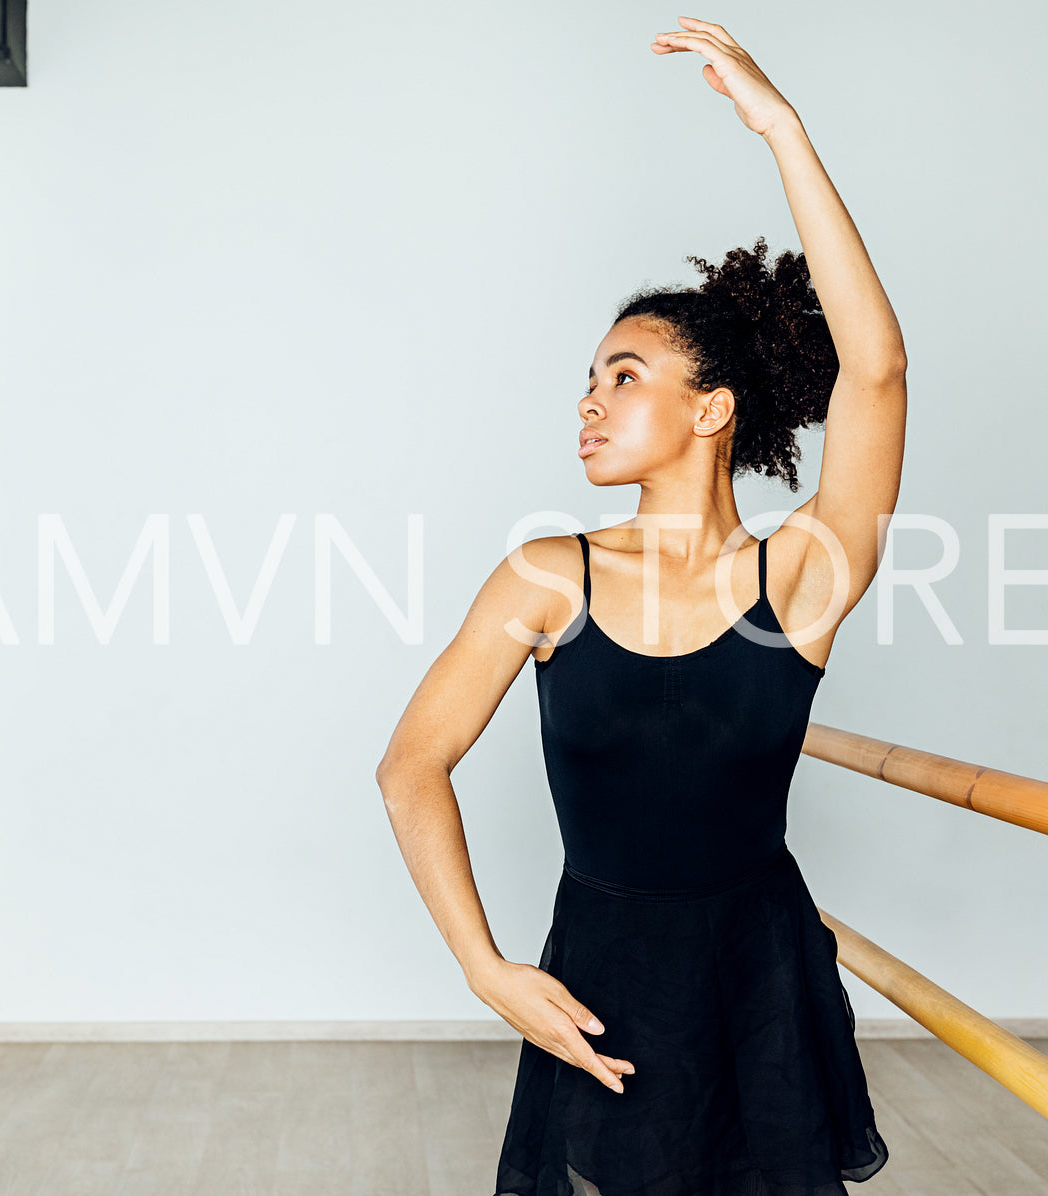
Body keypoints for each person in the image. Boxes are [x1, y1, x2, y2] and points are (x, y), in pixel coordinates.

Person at [376, 15, 905, 1195]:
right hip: (600, 978)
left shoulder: (800, 577)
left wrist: (780, 128)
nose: (589, 402)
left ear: (711, 409)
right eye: (585, 382)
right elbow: (411, 763)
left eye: (624, 376)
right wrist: (482, 965)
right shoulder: (544, 577)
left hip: (762, 977)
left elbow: (873, 370)